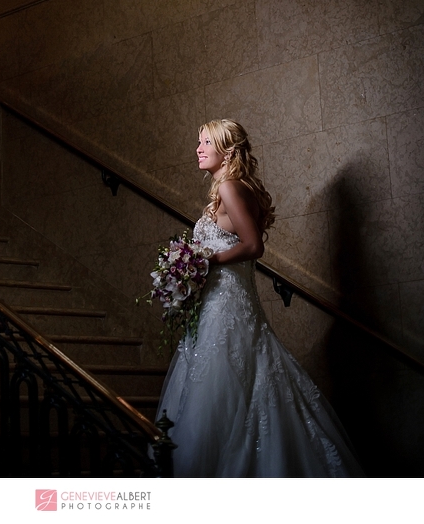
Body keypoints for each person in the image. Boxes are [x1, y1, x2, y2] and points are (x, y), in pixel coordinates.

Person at [155, 119, 362, 477]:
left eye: (206, 142)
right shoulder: (230, 188)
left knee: (228, 386)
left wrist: (204, 261)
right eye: (198, 142)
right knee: (241, 381)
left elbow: (254, 246)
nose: (198, 149)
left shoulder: (232, 188)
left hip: (226, 307)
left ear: (227, 150)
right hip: (221, 303)